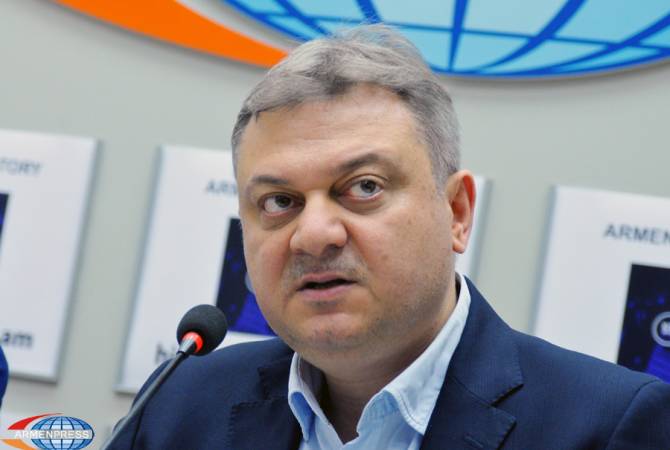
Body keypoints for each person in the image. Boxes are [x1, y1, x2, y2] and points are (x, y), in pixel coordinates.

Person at [112, 25, 670, 449]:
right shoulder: (180, 404)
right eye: (280, 202)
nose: (314, 235)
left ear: (456, 212)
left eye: (364, 187)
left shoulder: (611, 426)